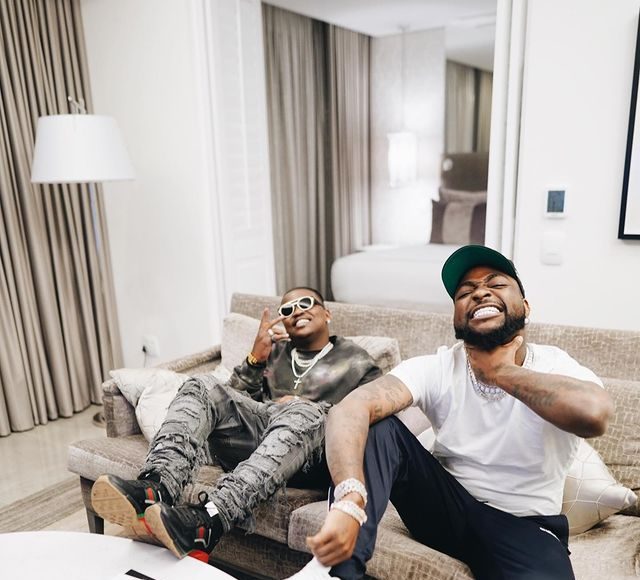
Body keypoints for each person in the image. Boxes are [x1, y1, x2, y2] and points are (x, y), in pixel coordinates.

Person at [289, 245, 614, 580]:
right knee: (379, 426)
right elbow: (350, 409)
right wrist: (349, 499)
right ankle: (335, 574)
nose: (480, 293)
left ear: (525, 307)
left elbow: (593, 414)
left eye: (496, 284)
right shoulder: (439, 366)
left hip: (525, 528)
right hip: (444, 509)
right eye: (465, 292)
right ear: (457, 317)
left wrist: (501, 372)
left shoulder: (555, 364)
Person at [91, 287, 381, 562]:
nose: (296, 311)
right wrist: (255, 358)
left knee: (303, 411)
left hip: (317, 452)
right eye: (287, 309)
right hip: (262, 441)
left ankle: (209, 520)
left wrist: (307, 406)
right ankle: (156, 485)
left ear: (326, 313)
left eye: (305, 304)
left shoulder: (356, 360)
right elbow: (230, 404)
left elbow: (373, 416)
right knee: (204, 385)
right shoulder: (276, 352)